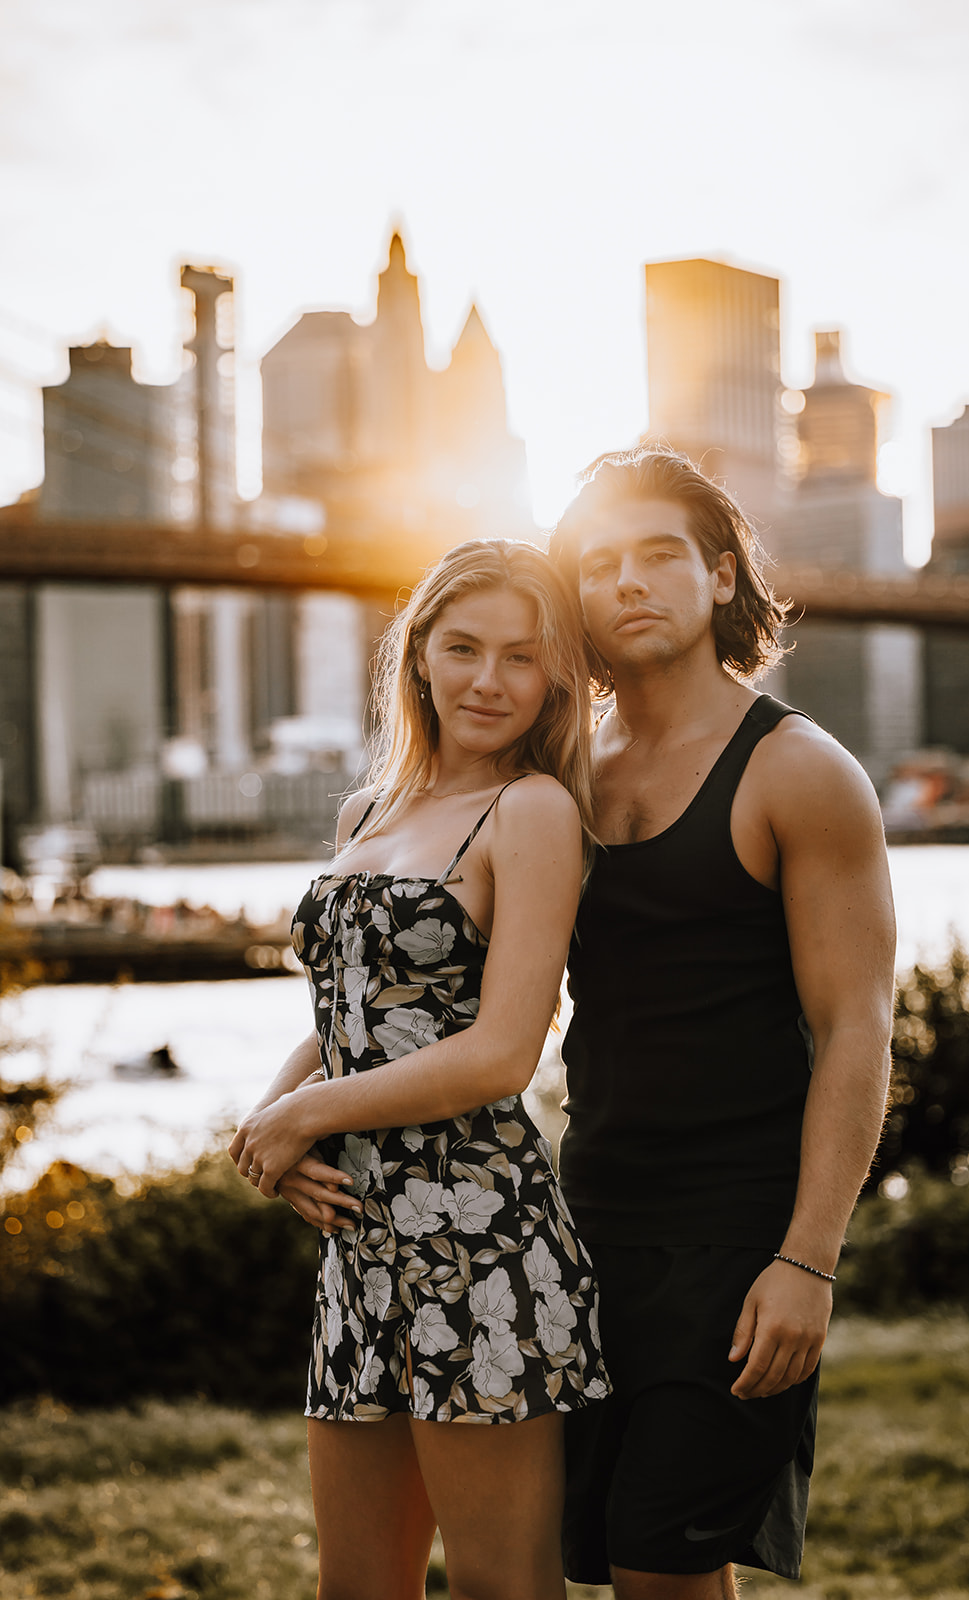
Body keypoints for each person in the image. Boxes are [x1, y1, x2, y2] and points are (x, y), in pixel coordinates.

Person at [229, 539, 610, 1600]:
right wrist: (276, 1116)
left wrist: (307, 1113)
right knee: (355, 1585)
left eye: (521, 657)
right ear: (420, 658)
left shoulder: (531, 811)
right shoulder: (367, 813)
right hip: (359, 1242)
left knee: (500, 1587)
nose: (489, 679)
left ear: (552, 682)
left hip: (479, 1239)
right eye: (463, 647)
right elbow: (353, 1009)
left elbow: (500, 1051)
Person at [548, 448, 897, 1600]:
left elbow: (854, 1026)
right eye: (599, 564)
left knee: (662, 1557)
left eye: (657, 554)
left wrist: (807, 1258)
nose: (629, 582)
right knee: (617, 1569)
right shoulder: (553, 782)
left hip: (740, 1240)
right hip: (583, 1225)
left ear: (718, 575)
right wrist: (303, 1099)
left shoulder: (798, 773)